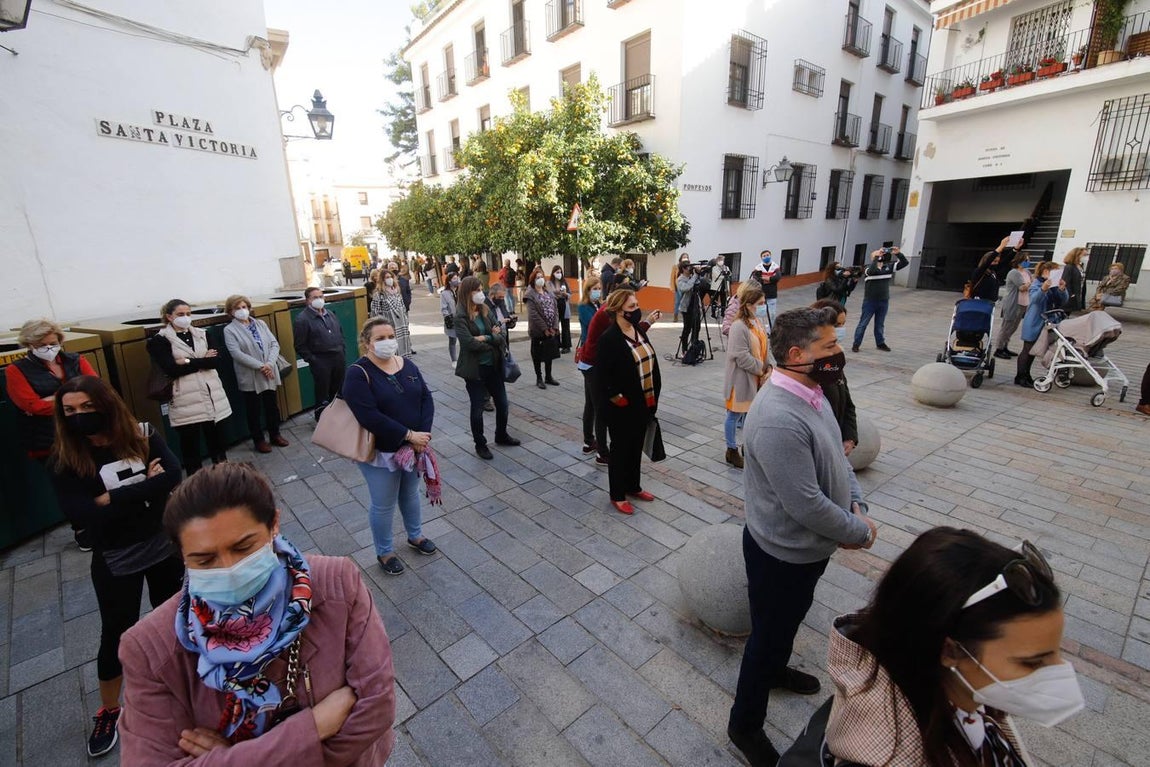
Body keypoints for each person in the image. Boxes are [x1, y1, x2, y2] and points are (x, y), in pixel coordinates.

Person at [118, 463, 396, 764]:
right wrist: (312, 729)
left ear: (273, 525)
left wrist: (232, 758)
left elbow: (375, 707)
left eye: (243, 547)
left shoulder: (336, 584)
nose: (229, 569)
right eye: (204, 559)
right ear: (182, 556)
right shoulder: (150, 649)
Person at [780, 527, 1083, 767]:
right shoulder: (889, 753)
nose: (1059, 672)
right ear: (951, 651)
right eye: (1031, 663)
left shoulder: (956, 696)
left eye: (1057, 652)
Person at [728, 306, 878, 767]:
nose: (838, 354)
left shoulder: (815, 392)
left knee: (786, 625)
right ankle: (744, 725)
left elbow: (837, 455)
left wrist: (857, 504)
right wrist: (858, 532)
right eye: (829, 347)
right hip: (781, 555)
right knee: (766, 637)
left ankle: (775, 668)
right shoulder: (777, 417)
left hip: (807, 551)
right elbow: (806, 503)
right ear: (797, 354)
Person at [48, 375, 184, 758]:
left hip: (162, 546)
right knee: (116, 635)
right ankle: (109, 711)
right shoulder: (65, 458)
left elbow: (173, 475)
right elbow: (82, 514)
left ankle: (180, 687)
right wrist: (144, 485)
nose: (79, 417)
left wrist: (111, 498)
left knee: (172, 618)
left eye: (86, 408)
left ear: (106, 404)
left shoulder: (140, 433)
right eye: (70, 411)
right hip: (116, 557)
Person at [343, 319, 438, 575]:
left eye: (390, 336)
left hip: (413, 448)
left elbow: (426, 398)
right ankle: (384, 552)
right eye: (380, 338)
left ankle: (415, 535)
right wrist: (409, 435)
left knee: (409, 493)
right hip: (381, 452)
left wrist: (423, 435)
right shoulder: (357, 373)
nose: (387, 342)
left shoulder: (407, 364)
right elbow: (368, 416)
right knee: (383, 503)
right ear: (367, 343)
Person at [7, 318, 100, 548]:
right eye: (42, 345)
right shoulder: (16, 370)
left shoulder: (75, 359)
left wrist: (52, 400)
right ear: (29, 345)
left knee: (93, 476)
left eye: (53, 343)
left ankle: (102, 521)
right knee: (67, 485)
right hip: (47, 440)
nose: (49, 349)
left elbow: (96, 389)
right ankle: (82, 530)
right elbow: (30, 405)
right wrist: (75, 400)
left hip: (84, 432)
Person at [593, 289, 662, 516]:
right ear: (618, 311)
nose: (636, 309)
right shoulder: (609, 339)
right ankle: (617, 494)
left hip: (645, 401)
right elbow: (602, 378)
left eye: (636, 305)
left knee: (635, 447)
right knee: (621, 450)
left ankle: (633, 486)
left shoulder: (638, 331)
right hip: (622, 408)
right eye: (631, 307)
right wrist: (618, 400)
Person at [147, 299, 232, 474]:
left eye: (188, 314)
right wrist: (203, 361)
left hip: (212, 396)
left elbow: (216, 361)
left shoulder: (202, 333)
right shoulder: (160, 340)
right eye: (180, 314)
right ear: (169, 317)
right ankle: (196, 479)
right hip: (185, 400)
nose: (185, 318)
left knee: (217, 440)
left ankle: (223, 476)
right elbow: (171, 368)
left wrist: (186, 361)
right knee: (190, 445)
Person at [454, 276, 521, 459]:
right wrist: (492, 340)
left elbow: (500, 334)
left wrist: (486, 338)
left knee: (503, 404)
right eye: (476, 290)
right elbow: (468, 344)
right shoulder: (460, 315)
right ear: (467, 293)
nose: (480, 293)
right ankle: (480, 444)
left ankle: (501, 435)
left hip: (494, 365)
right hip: (474, 369)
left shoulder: (485, 309)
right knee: (477, 409)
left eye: (481, 288)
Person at [222, 295, 288, 454]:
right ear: (230, 312)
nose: (242, 311)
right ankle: (259, 440)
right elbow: (236, 353)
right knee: (253, 409)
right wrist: (261, 366)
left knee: (271, 406)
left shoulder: (260, 323)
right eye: (237, 308)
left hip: (269, 372)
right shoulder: (230, 330)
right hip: (251, 375)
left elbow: (274, 344)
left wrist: (269, 364)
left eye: (244, 307)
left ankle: (275, 434)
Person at [722, 286, 771, 469]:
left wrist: (769, 367)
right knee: (734, 415)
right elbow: (740, 356)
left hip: (756, 377)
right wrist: (761, 369)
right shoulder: (738, 326)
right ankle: (731, 450)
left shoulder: (756, 322)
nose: (763, 306)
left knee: (751, 416)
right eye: (760, 303)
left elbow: (765, 347)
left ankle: (747, 447)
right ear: (749, 305)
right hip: (740, 379)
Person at [811, 299, 860, 459]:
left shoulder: (835, 359)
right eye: (837, 325)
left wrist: (850, 436)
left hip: (835, 444)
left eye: (843, 325)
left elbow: (847, 403)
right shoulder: (809, 365)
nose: (841, 330)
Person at [293, 287, 347, 421]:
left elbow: (340, 333)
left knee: (338, 390)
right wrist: (313, 360)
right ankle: (322, 420)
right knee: (322, 393)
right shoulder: (303, 319)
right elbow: (300, 345)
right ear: (307, 301)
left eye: (321, 296)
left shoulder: (330, 314)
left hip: (338, 357)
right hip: (321, 361)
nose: (319, 300)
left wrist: (342, 350)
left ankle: (337, 417)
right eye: (315, 297)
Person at [1016, 260, 1068, 387]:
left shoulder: (1053, 286)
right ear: (1046, 272)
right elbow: (1034, 300)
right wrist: (1043, 289)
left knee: (1033, 351)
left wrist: (1062, 289)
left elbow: (1062, 301)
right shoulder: (1037, 284)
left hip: (1046, 322)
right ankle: (1020, 376)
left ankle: (1026, 375)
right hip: (1034, 321)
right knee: (1027, 349)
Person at [850, 246, 909, 353]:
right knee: (863, 323)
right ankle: (856, 344)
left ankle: (880, 343)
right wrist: (875, 258)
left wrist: (898, 253)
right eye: (876, 255)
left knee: (880, 324)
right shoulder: (867, 268)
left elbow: (904, 263)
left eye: (880, 255)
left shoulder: (889, 267)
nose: (880, 256)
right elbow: (872, 271)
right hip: (870, 301)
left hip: (883, 300)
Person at [576, 274, 606, 459]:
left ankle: (589, 442)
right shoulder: (583, 307)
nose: (597, 291)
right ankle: (601, 449)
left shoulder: (598, 305)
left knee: (591, 403)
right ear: (588, 290)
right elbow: (596, 323)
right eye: (594, 288)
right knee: (597, 405)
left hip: (597, 357)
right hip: (590, 359)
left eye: (599, 288)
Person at [523, 266, 562, 389]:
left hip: (551, 329)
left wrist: (555, 327)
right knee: (537, 354)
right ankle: (539, 378)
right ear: (533, 280)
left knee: (549, 353)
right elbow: (533, 314)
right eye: (537, 278)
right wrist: (545, 328)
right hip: (538, 330)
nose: (540, 279)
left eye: (541, 277)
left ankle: (548, 376)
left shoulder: (548, 292)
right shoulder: (530, 294)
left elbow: (555, 310)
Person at [993, 252, 1034, 359]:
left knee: (1013, 327)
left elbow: (1031, 283)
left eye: (1028, 260)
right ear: (1019, 261)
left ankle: (1005, 346)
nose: (1028, 262)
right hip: (1013, 303)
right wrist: (1029, 284)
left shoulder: (1027, 272)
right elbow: (1022, 287)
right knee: (1007, 327)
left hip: (1023, 303)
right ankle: (999, 348)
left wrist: (1029, 284)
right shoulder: (1014, 273)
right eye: (1026, 260)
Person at [369, 270, 413, 358]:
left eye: (391, 277)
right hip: (389, 326)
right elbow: (375, 313)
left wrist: (406, 320)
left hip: (402, 326)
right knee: (393, 351)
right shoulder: (379, 294)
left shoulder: (397, 292)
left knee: (403, 349)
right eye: (387, 277)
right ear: (382, 280)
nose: (390, 279)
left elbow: (403, 308)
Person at [676, 260, 706, 356]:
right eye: (688, 267)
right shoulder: (680, 279)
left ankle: (694, 348)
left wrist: (699, 273)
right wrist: (694, 276)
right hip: (687, 307)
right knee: (687, 329)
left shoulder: (692, 276)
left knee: (697, 327)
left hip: (696, 305)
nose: (690, 269)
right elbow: (686, 288)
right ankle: (684, 350)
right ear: (683, 269)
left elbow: (699, 285)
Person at [748, 250, 782, 325]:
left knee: (772, 314)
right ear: (761, 258)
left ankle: (771, 330)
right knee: (760, 314)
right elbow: (756, 279)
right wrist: (770, 279)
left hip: (772, 294)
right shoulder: (758, 267)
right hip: (760, 294)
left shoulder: (775, 266)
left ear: (770, 255)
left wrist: (763, 278)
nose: (766, 257)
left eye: (767, 255)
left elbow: (777, 278)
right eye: (764, 256)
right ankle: (760, 329)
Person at [440, 273, 461, 362]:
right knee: (452, 340)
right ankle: (454, 360)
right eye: (454, 279)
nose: (457, 280)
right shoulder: (444, 294)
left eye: (457, 278)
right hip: (452, 320)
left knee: (464, 340)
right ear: (449, 281)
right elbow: (443, 308)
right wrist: (448, 317)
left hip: (462, 319)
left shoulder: (461, 291)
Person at [1061, 246, 1086, 314]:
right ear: (1077, 255)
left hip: (1078, 293)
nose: (1086, 257)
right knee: (1065, 312)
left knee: (1069, 313)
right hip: (1070, 295)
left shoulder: (1080, 267)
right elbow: (1065, 281)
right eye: (1084, 255)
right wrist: (1070, 294)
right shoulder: (1069, 267)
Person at [708, 254, 732, 319]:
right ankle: (713, 313)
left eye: (722, 260)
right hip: (716, 286)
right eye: (720, 260)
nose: (721, 261)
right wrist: (724, 275)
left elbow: (730, 273)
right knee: (714, 300)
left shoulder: (726, 267)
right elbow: (717, 276)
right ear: (717, 261)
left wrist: (727, 274)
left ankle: (723, 313)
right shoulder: (714, 268)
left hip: (724, 286)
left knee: (724, 300)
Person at [670, 253, 691, 322]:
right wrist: (673, 287)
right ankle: (675, 316)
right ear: (680, 258)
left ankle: (685, 315)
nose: (685, 258)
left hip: (686, 286)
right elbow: (672, 277)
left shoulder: (689, 266)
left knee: (686, 301)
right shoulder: (676, 266)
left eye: (686, 257)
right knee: (677, 302)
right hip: (678, 287)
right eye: (683, 257)